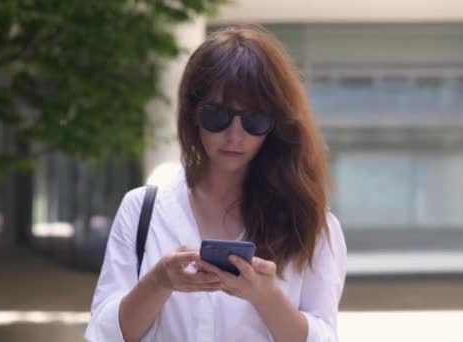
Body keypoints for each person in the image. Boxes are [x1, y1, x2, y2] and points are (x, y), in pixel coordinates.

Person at [84, 24, 347, 342]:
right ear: (192, 113)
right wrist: (159, 282)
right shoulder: (143, 210)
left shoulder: (310, 223)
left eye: (255, 120)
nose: (235, 136)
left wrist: (266, 296)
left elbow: (323, 336)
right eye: (218, 116)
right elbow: (103, 334)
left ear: (276, 124)